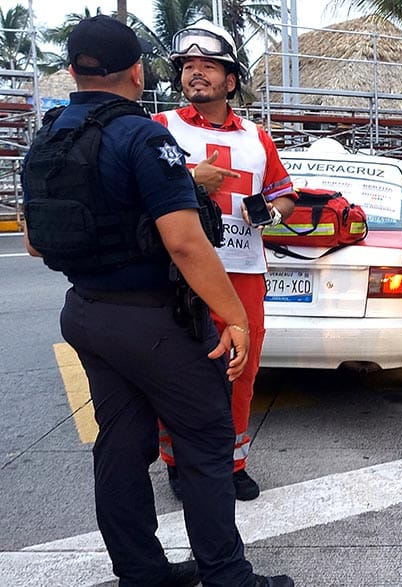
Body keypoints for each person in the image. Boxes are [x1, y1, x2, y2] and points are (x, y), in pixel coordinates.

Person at [21, 15, 292, 587]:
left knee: (120, 446)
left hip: (87, 310)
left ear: (71, 69)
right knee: (206, 443)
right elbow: (186, 242)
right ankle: (227, 577)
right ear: (139, 72)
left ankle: (141, 574)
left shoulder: (49, 134)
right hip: (155, 315)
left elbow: (34, 241)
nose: (196, 72)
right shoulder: (145, 133)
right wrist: (237, 320)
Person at [153, 19, 296, 502]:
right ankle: (176, 460)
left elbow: (285, 195)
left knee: (243, 369)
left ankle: (233, 462)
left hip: (244, 271)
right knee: (179, 370)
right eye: (188, 67)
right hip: (180, 271)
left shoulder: (258, 137)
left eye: (207, 67)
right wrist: (193, 178)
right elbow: (141, 189)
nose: (196, 74)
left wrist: (272, 211)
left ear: (230, 80)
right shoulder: (160, 129)